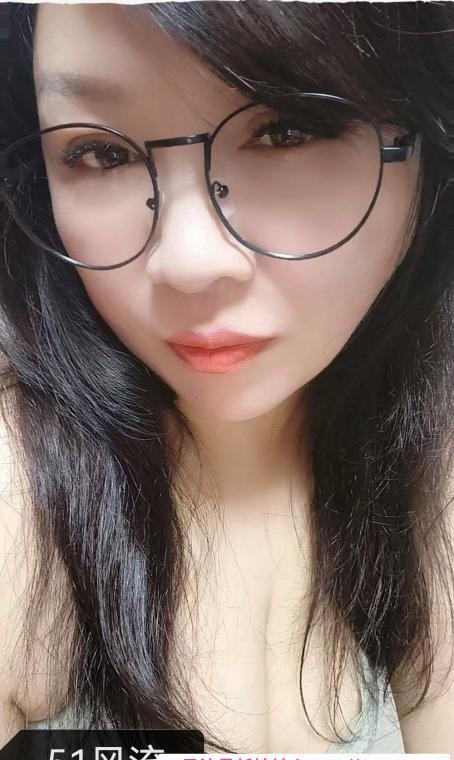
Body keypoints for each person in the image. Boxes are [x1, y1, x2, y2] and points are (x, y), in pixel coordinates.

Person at [0, 0, 453, 754]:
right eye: (100, 153)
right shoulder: (22, 499)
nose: (188, 261)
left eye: (286, 129)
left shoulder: (423, 449)